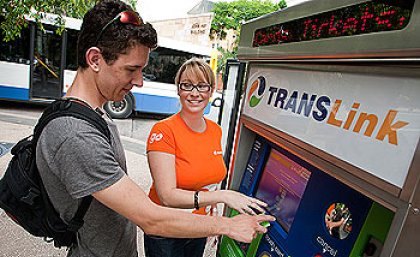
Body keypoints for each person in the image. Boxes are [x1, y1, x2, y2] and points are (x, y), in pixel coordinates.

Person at [35, 1, 274, 256]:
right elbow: (151, 219)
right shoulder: (75, 134)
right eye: (131, 69)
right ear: (95, 59)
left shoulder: (96, 115)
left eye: (142, 70)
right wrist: (228, 225)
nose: (139, 81)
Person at [144, 58, 268, 257]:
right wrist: (222, 196)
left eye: (202, 86)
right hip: (167, 228)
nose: (194, 93)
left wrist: (211, 213)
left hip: (199, 225)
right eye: (187, 85)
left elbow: (208, 176)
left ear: (211, 91)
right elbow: (167, 196)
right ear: (178, 90)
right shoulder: (164, 130)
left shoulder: (215, 131)